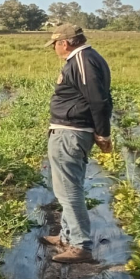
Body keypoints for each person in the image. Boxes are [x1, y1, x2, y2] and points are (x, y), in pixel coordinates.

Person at [40, 24, 113, 264]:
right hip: (70, 131)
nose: (54, 49)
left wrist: (103, 133)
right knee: (66, 188)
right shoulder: (88, 58)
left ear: (65, 42)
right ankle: (67, 236)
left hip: (71, 133)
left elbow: (99, 99)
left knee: (69, 190)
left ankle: (80, 245)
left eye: (54, 45)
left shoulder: (83, 59)